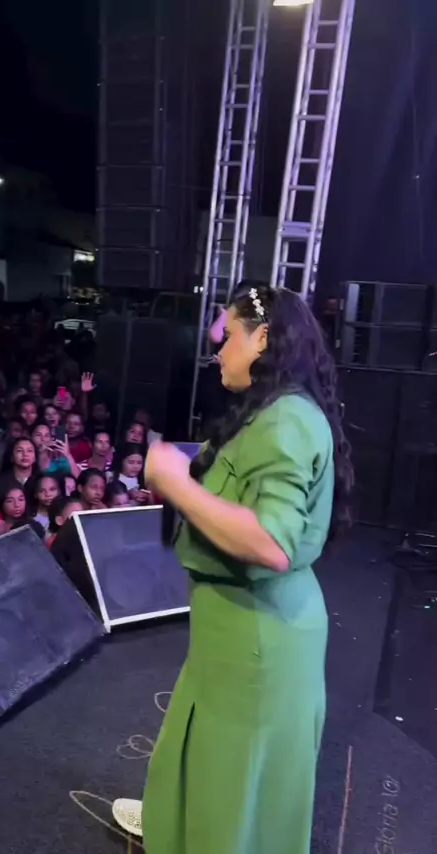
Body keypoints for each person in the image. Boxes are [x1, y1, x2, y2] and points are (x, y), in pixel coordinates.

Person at [112, 282, 353, 854]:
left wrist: (174, 483)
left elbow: (271, 541)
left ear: (263, 338)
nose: (217, 351)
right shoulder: (276, 411)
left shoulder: (286, 421)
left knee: (231, 787)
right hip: (240, 631)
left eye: (226, 338)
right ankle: (174, 823)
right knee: (209, 762)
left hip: (257, 640)